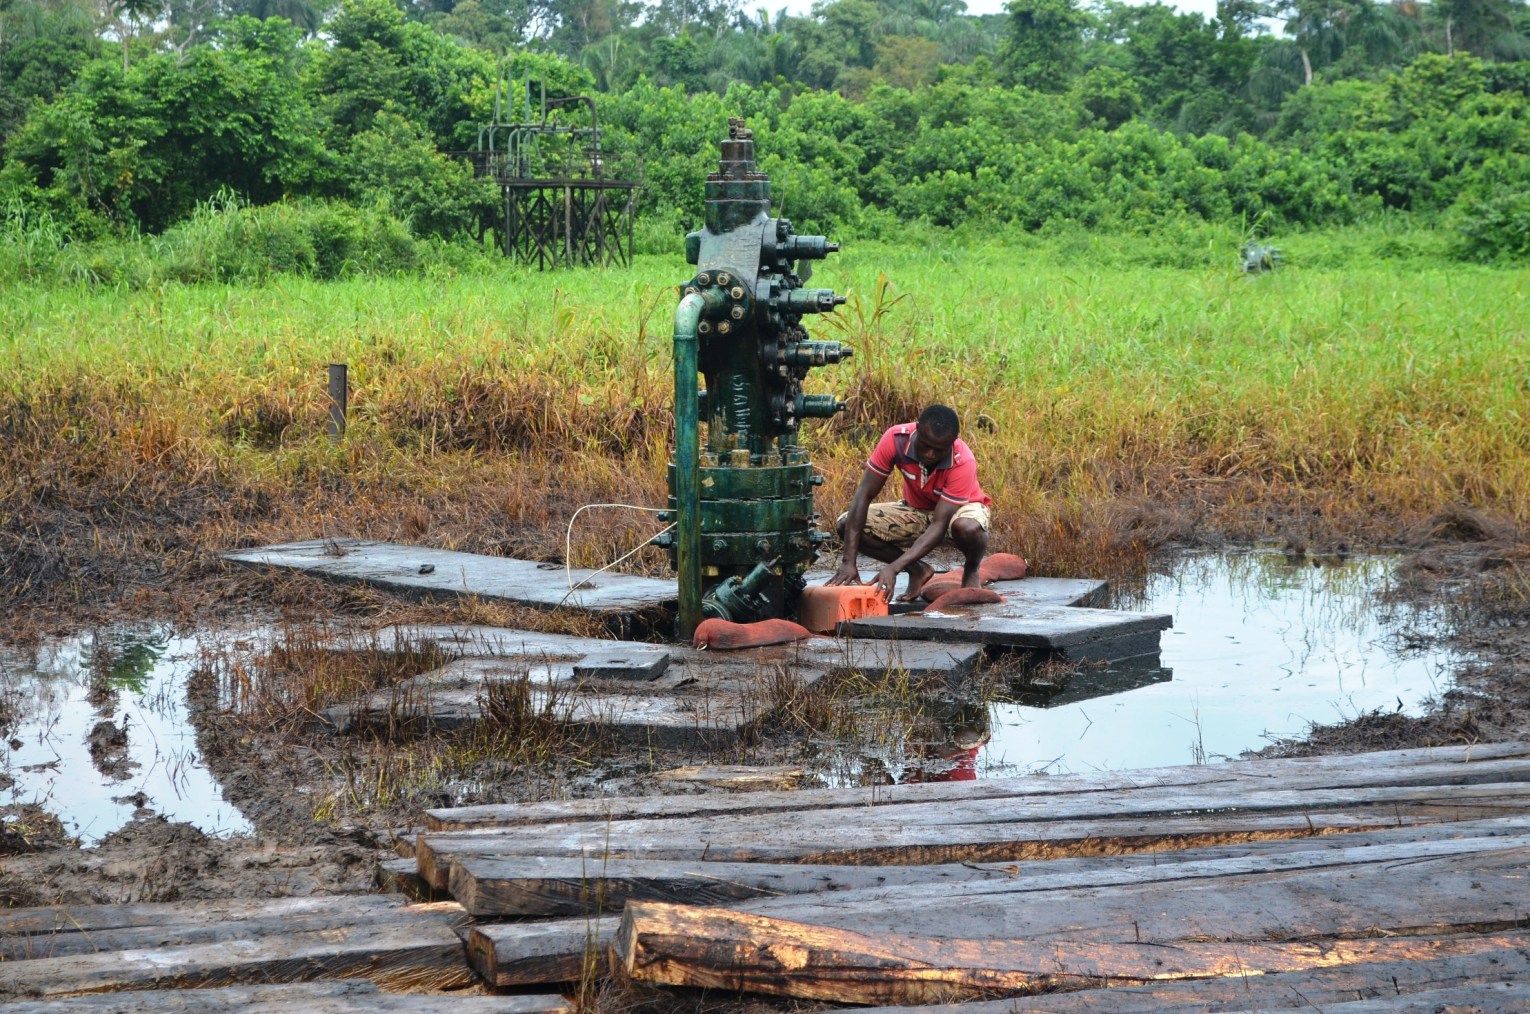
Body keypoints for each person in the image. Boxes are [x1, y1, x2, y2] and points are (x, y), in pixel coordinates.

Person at [827, 404, 991, 602]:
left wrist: (893, 568)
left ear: (952, 442)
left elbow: (939, 524)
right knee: (846, 523)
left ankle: (971, 570)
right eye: (925, 445)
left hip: (959, 511)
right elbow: (864, 495)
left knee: (967, 528)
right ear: (917, 429)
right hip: (917, 510)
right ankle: (918, 570)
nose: (930, 454)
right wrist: (848, 561)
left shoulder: (962, 460)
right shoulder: (896, 439)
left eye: (938, 450)